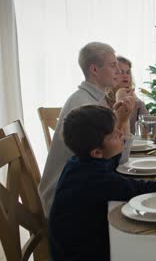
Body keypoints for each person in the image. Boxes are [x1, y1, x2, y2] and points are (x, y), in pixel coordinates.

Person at [48, 105, 156, 260]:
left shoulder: (79, 163)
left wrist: (122, 120)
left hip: (72, 244)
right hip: (84, 254)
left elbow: (112, 161)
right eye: (115, 135)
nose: (121, 134)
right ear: (97, 152)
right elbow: (153, 189)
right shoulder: (96, 180)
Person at [39, 42, 135, 216]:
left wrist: (123, 117)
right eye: (113, 66)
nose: (118, 72)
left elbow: (117, 158)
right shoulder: (86, 106)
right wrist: (123, 119)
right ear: (94, 69)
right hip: (66, 202)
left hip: (81, 187)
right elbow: (118, 159)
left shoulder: (97, 99)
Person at [105, 56, 156, 135]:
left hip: (133, 146)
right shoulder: (103, 100)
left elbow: (151, 129)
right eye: (120, 72)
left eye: (128, 72)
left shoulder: (137, 102)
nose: (125, 76)